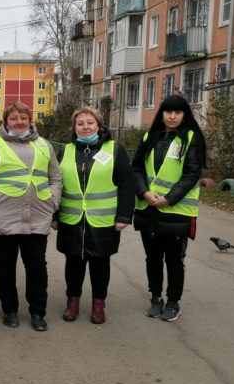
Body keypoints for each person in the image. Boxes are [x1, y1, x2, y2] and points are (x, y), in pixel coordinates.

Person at [0, 101, 62, 331]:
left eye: (23, 117)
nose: (19, 122)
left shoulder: (44, 145)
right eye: (14, 118)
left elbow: (55, 178)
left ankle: (37, 312)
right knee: (5, 267)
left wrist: (52, 202)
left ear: (30, 120)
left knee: (37, 268)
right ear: (5, 121)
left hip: (37, 216)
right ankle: (10, 310)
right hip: (4, 217)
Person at [52, 107, 134, 324]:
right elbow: (55, 184)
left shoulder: (115, 150)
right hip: (72, 218)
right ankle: (73, 301)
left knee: (100, 263)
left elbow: (127, 184)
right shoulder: (66, 151)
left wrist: (124, 216)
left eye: (90, 122)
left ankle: (99, 303)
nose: (86, 127)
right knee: (73, 262)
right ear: (74, 127)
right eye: (80, 123)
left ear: (99, 125)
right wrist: (54, 214)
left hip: (103, 219)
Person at [132, 95, 207, 322]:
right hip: (149, 208)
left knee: (174, 260)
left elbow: (192, 174)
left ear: (185, 115)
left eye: (178, 112)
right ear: (161, 113)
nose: (172, 116)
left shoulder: (191, 138)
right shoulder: (150, 136)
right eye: (168, 112)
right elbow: (136, 169)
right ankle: (156, 298)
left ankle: (173, 302)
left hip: (176, 211)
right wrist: (145, 192)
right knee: (152, 258)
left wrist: (168, 198)